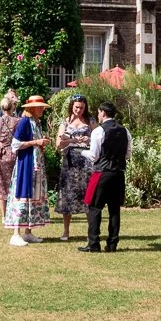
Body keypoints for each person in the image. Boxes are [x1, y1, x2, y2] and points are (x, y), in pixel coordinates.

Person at [81, 101, 130, 253]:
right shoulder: (125, 131)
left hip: (102, 173)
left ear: (103, 112)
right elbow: (128, 154)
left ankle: (94, 243)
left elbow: (94, 156)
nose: (98, 115)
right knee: (114, 210)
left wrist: (82, 151)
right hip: (118, 173)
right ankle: (112, 244)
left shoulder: (98, 131)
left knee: (95, 208)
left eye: (98, 112)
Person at [5, 95, 51, 246]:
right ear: (32, 108)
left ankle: (28, 232)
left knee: (33, 196)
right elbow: (15, 144)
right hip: (26, 165)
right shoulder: (25, 122)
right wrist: (36, 142)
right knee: (23, 195)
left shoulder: (37, 123)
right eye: (40, 107)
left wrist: (41, 143)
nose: (42, 109)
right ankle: (15, 234)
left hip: (35, 165)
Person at [54, 96, 95, 242]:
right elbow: (58, 144)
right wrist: (73, 140)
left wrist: (89, 139)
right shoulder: (65, 122)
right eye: (76, 107)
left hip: (86, 162)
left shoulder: (90, 121)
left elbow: (99, 139)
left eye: (82, 107)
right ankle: (66, 231)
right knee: (68, 195)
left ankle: (91, 232)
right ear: (72, 106)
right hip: (69, 162)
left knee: (88, 195)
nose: (79, 110)